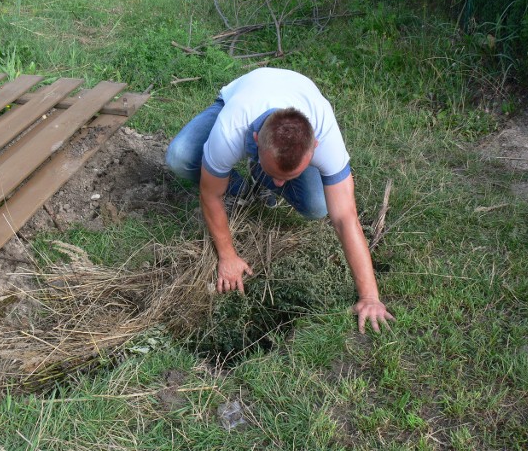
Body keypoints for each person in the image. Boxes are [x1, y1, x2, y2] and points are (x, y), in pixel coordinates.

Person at [166, 67, 395, 333]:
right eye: (274, 175)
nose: (278, 185)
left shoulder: (325, 132)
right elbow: (210, 195)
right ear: (254, 142)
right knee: (180, 156)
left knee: (317, 206)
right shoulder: (232, 128)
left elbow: (345, 218)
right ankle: (243, 186)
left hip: (297, 96)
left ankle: (260, 173)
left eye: (287, 176)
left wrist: (369, 297)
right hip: (243, 95)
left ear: (315, 148)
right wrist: (227, 256)